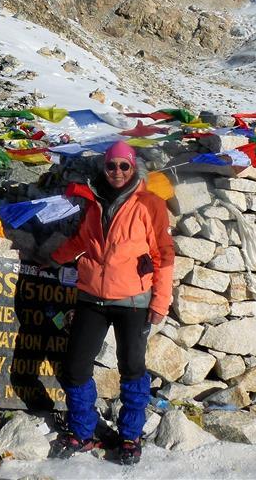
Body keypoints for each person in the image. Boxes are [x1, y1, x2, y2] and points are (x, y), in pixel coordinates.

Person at [48, 140, 175, 465]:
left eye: (124, 165)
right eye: (111, 165)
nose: (117, 171)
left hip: (133, 300)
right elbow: (83, 240)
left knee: (132, 369)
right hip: (92, 296)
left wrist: (160, 301)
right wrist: (54, 257)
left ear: (133, 168)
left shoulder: (150, 204)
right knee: (76, 367)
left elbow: (163, 254)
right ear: (104, 168)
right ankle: (83, 431)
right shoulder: (93, 202)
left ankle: (130, 436)